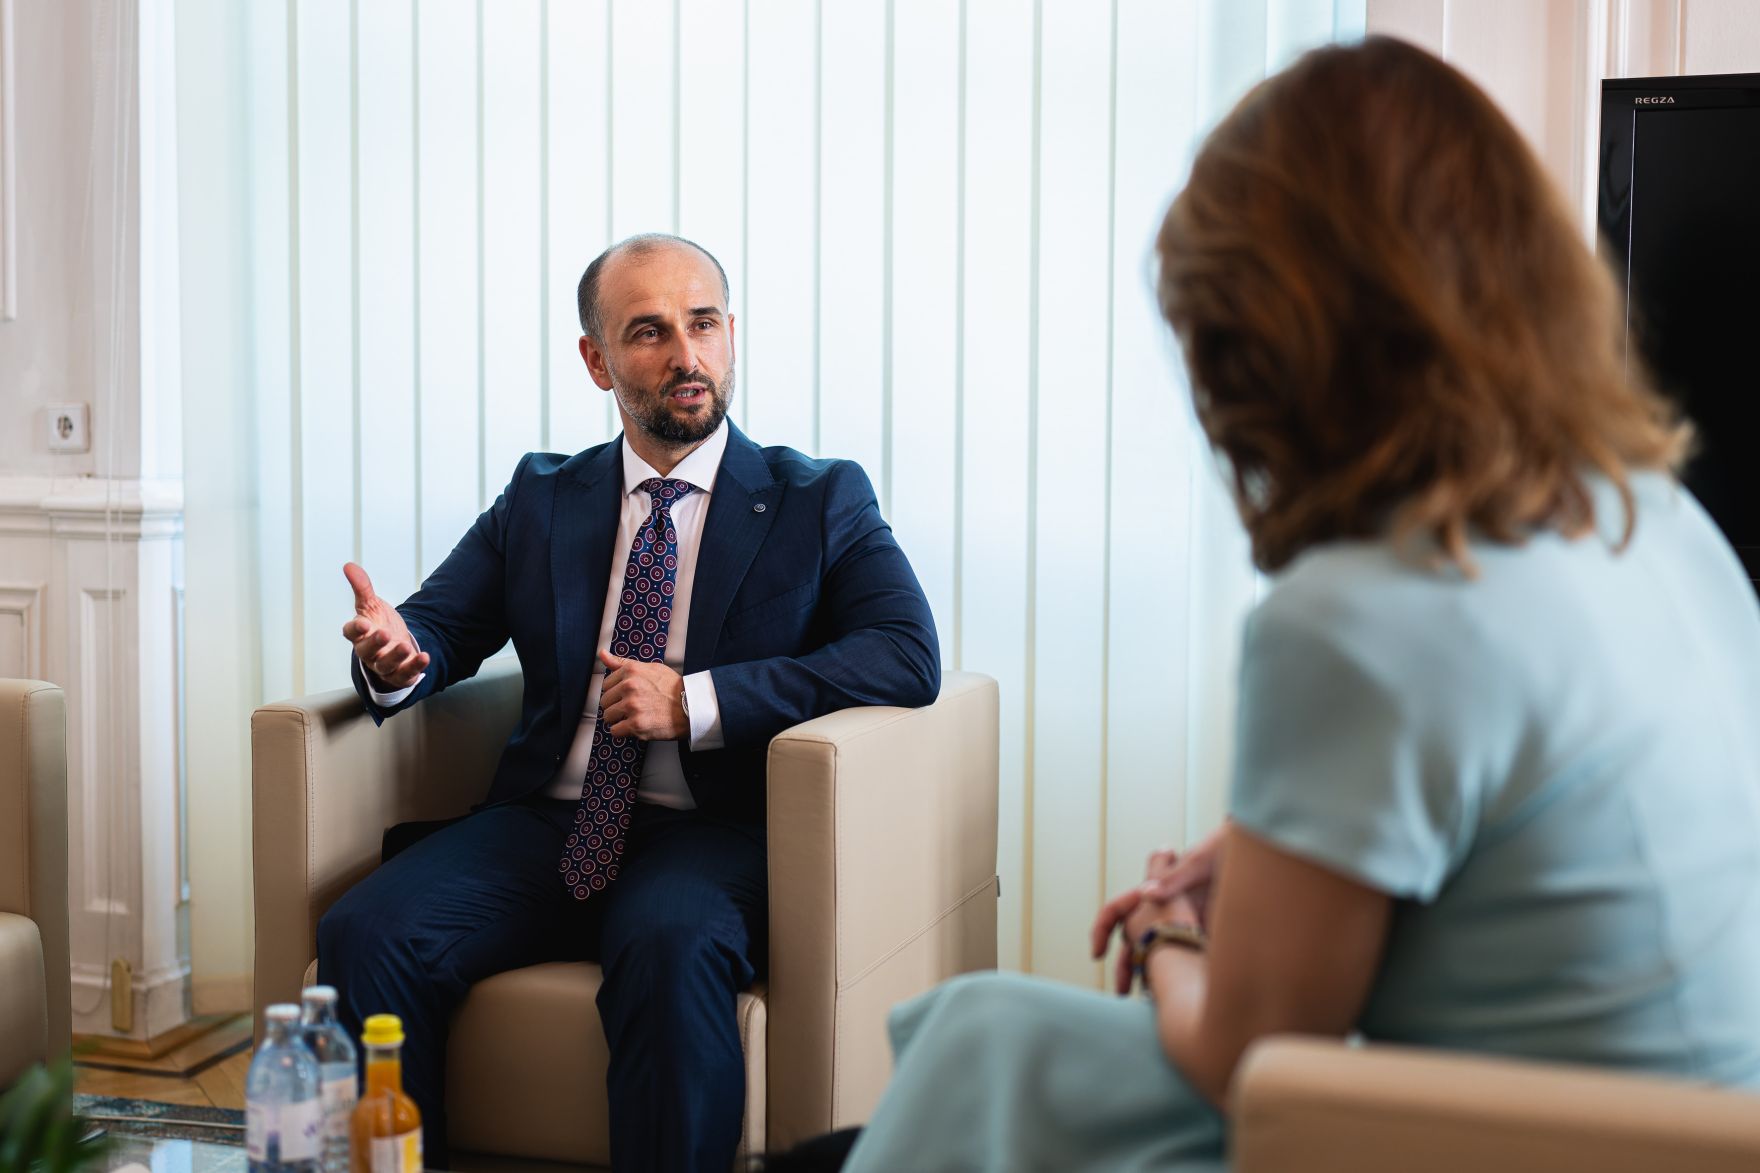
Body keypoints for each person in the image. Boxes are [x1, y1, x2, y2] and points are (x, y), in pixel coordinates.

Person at [797, 35, 1760, 1173]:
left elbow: (1247, 1061)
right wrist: (1271, 853)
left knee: (978, 1049)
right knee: (981, 1034)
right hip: (1673, 1133)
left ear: (1261, 350)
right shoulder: (1643, 512)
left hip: (1495, 1140)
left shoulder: (1360, 618)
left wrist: (1163, 932)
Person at [316, 232, 941, 1173]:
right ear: (596, 359)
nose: (686, 356)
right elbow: (437, 628)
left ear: (731, 335)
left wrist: (697, 702)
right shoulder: (542, 497)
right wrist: (401, 655)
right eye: (649, 332)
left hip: (716, 830)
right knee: (364, 931)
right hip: (547, 819)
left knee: (668, 942)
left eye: (703, 324)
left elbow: (905, 653)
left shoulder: (818, 499)